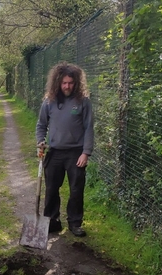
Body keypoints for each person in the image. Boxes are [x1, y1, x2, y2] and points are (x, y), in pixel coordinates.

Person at [36, 62, 94, 237]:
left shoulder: (83, 102)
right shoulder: (49, 102)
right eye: (64, 83)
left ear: (76, 83)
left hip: (76, 153)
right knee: (52, 188)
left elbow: (89, 128)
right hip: (54, 152)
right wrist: (40, 141)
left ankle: (75, 223)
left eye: (70, 82)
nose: (67, 86)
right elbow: (41, 125)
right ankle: (52, 222)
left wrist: (86, 152)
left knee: (76, 189)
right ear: (58, 83)